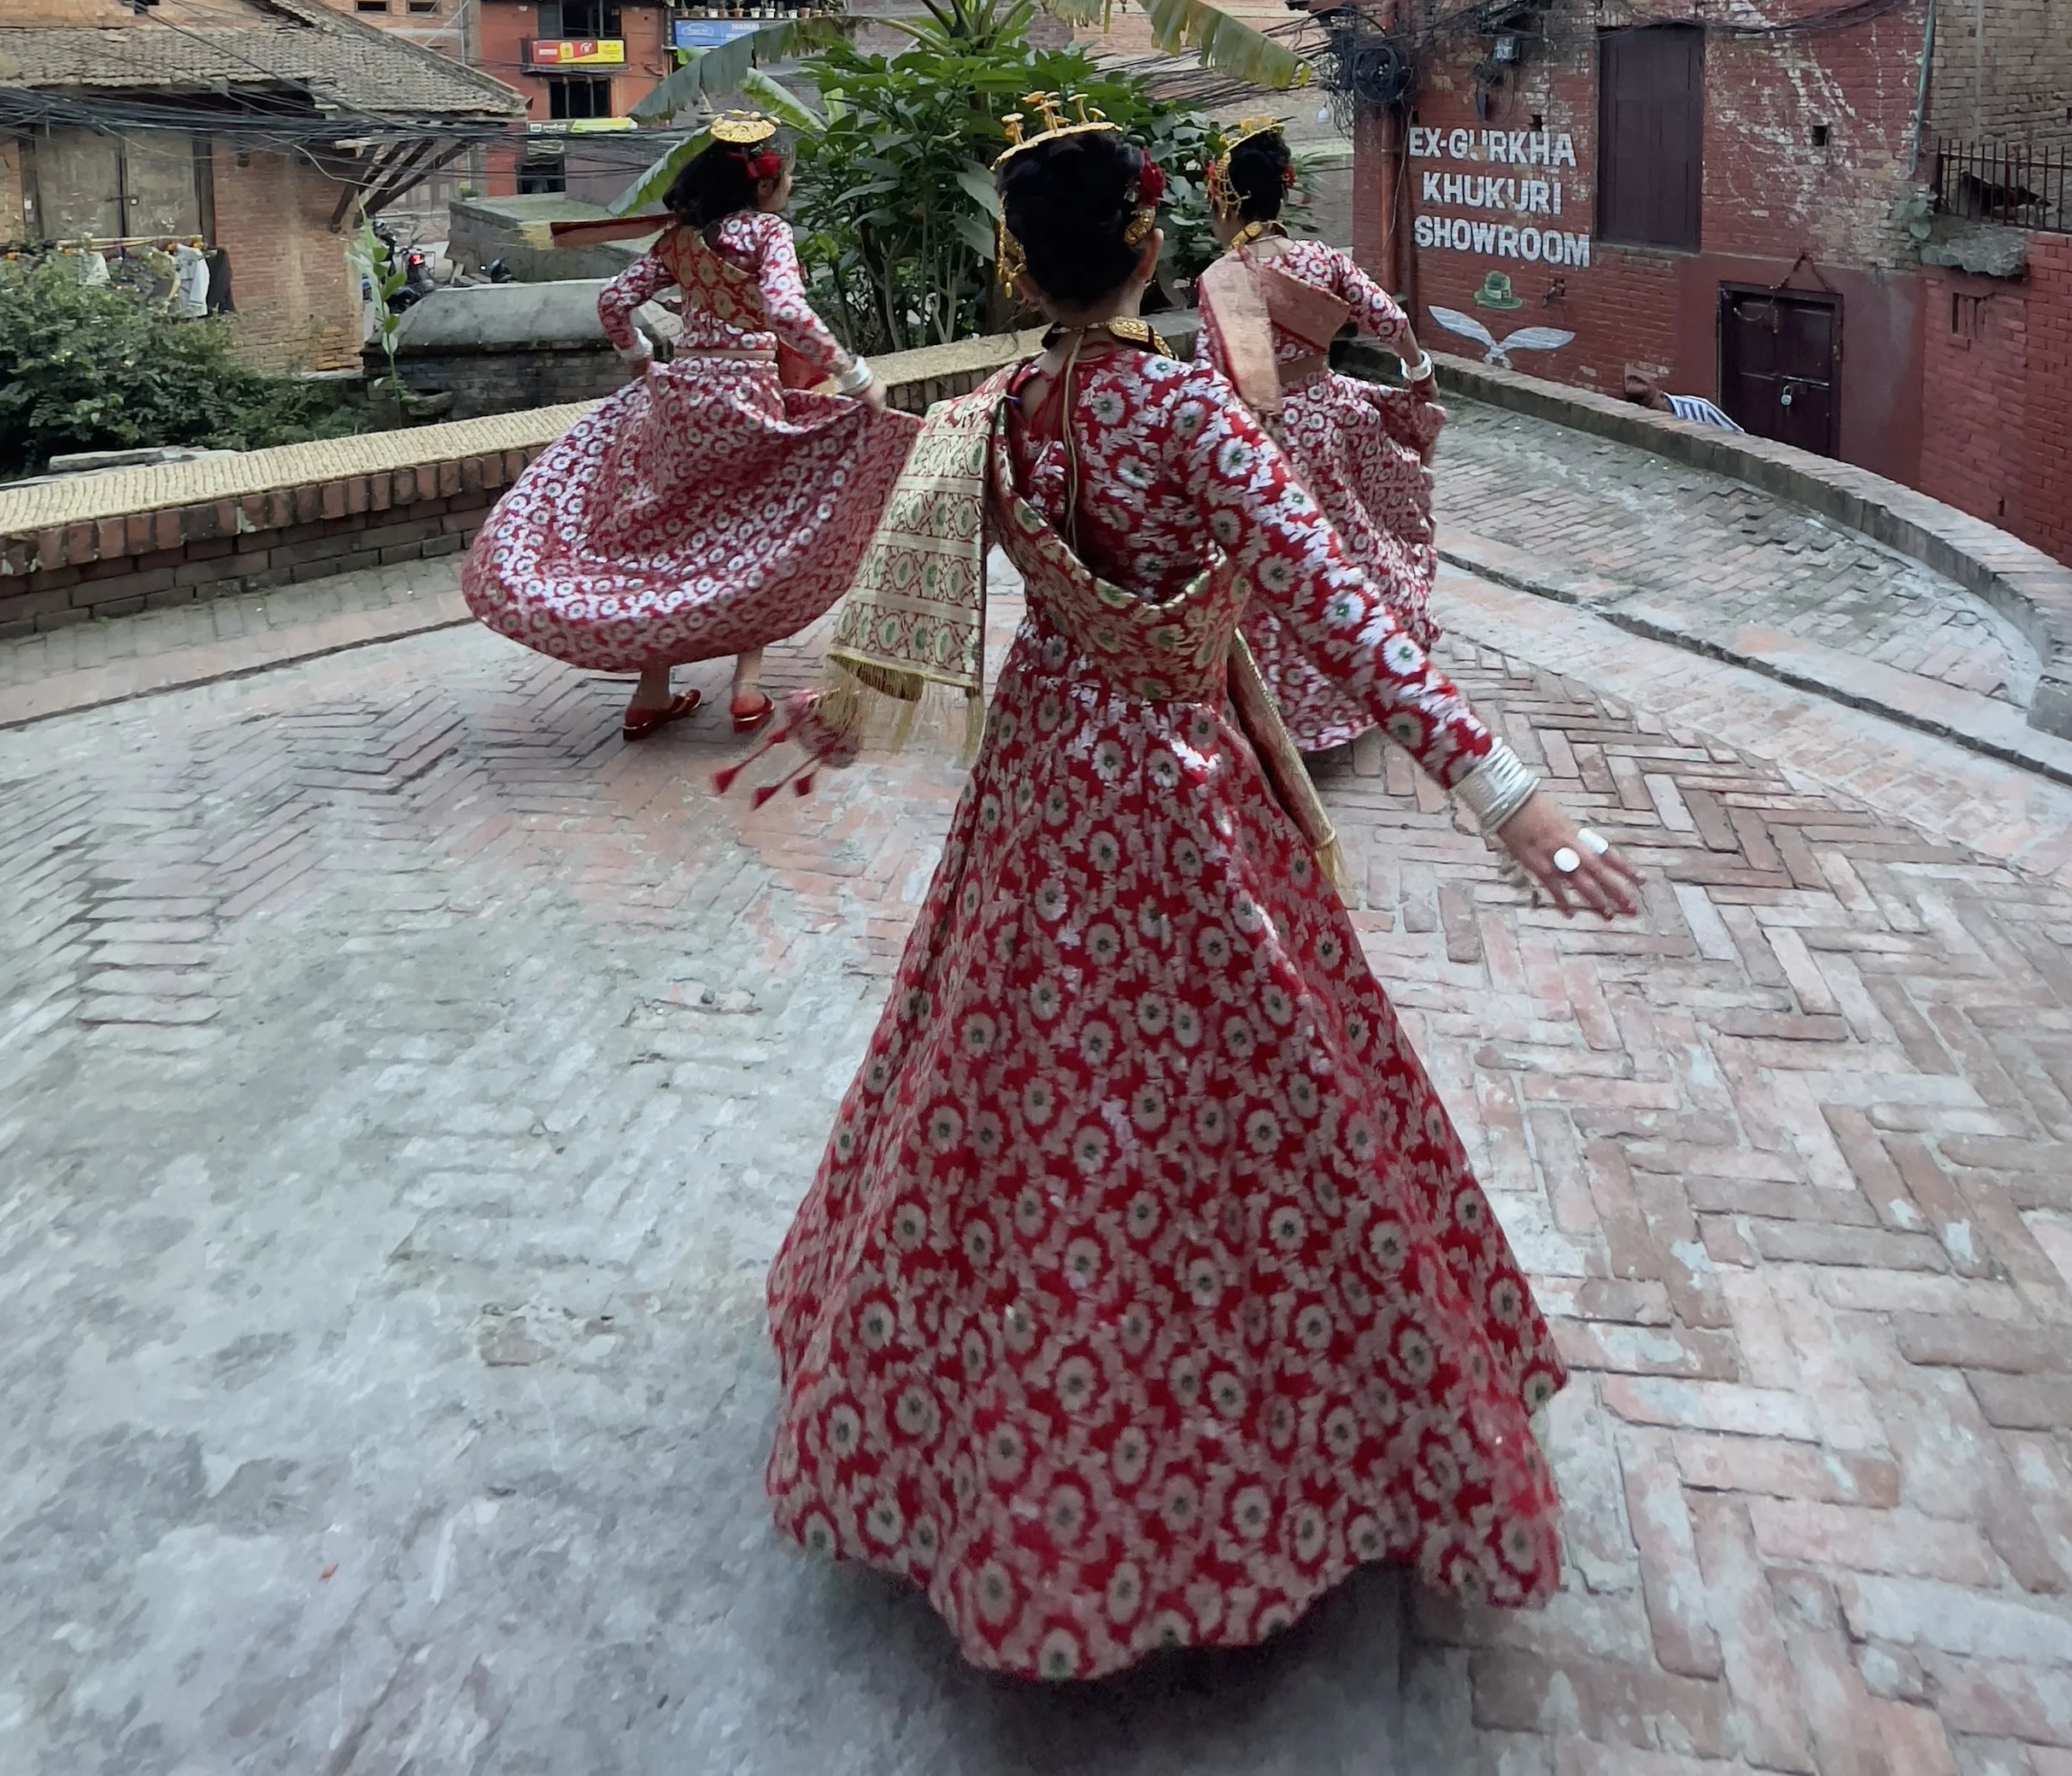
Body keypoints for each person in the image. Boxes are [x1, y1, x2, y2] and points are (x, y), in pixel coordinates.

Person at [759, 107, 1637, 1681]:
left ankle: (1007, 1457)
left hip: (1043, 777)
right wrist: (1509, 794)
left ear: (1016, 263)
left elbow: (902, 588)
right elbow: (1348, 612)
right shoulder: (1196, 419)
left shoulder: (996, 414)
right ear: (1153, 246)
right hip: (1178, 794)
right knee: (1257, 1089)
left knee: (1016, 1073)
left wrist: (832, 717)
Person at [461, 114, 916, 736]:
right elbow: (785, 311)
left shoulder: (678, 241)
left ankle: (651, 693)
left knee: (670, 535)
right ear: (764, 187)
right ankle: (747, 688)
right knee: (754, 532)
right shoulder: (767, 233)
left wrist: (641, 360)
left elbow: (612, 301)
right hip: (747, 395)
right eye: (787, 179)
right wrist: (858, 376)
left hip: (681, 401)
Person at [1195, 116, 1443, 758]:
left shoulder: (1222, 280)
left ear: (1226, 199)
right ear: (1283, 191)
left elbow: (1208, 375)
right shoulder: (1323, 259)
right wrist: (1420, 374)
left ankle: (1285, 706)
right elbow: (1387, 317)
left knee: (1271, 562)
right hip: (1329, 417)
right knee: (1349, 545)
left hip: (1260, 434)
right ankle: (1369, 668)